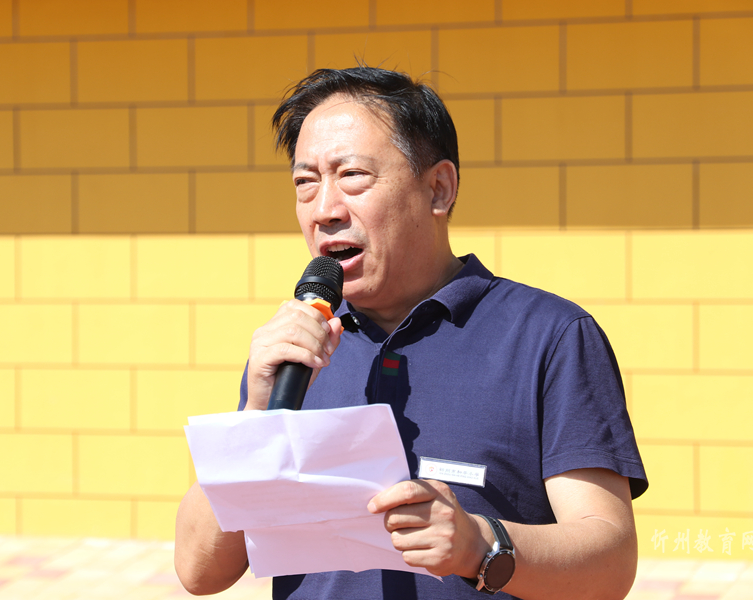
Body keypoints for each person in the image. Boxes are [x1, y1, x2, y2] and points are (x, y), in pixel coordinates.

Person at [175, 67, 647, 600]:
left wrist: (482, 545)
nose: (324, 210)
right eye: (305, 182)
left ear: (438, 188)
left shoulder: (550, 336)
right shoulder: (294, 349)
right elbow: (198, 571)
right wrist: (255, 415)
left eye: (352, 174)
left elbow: (610, 563)